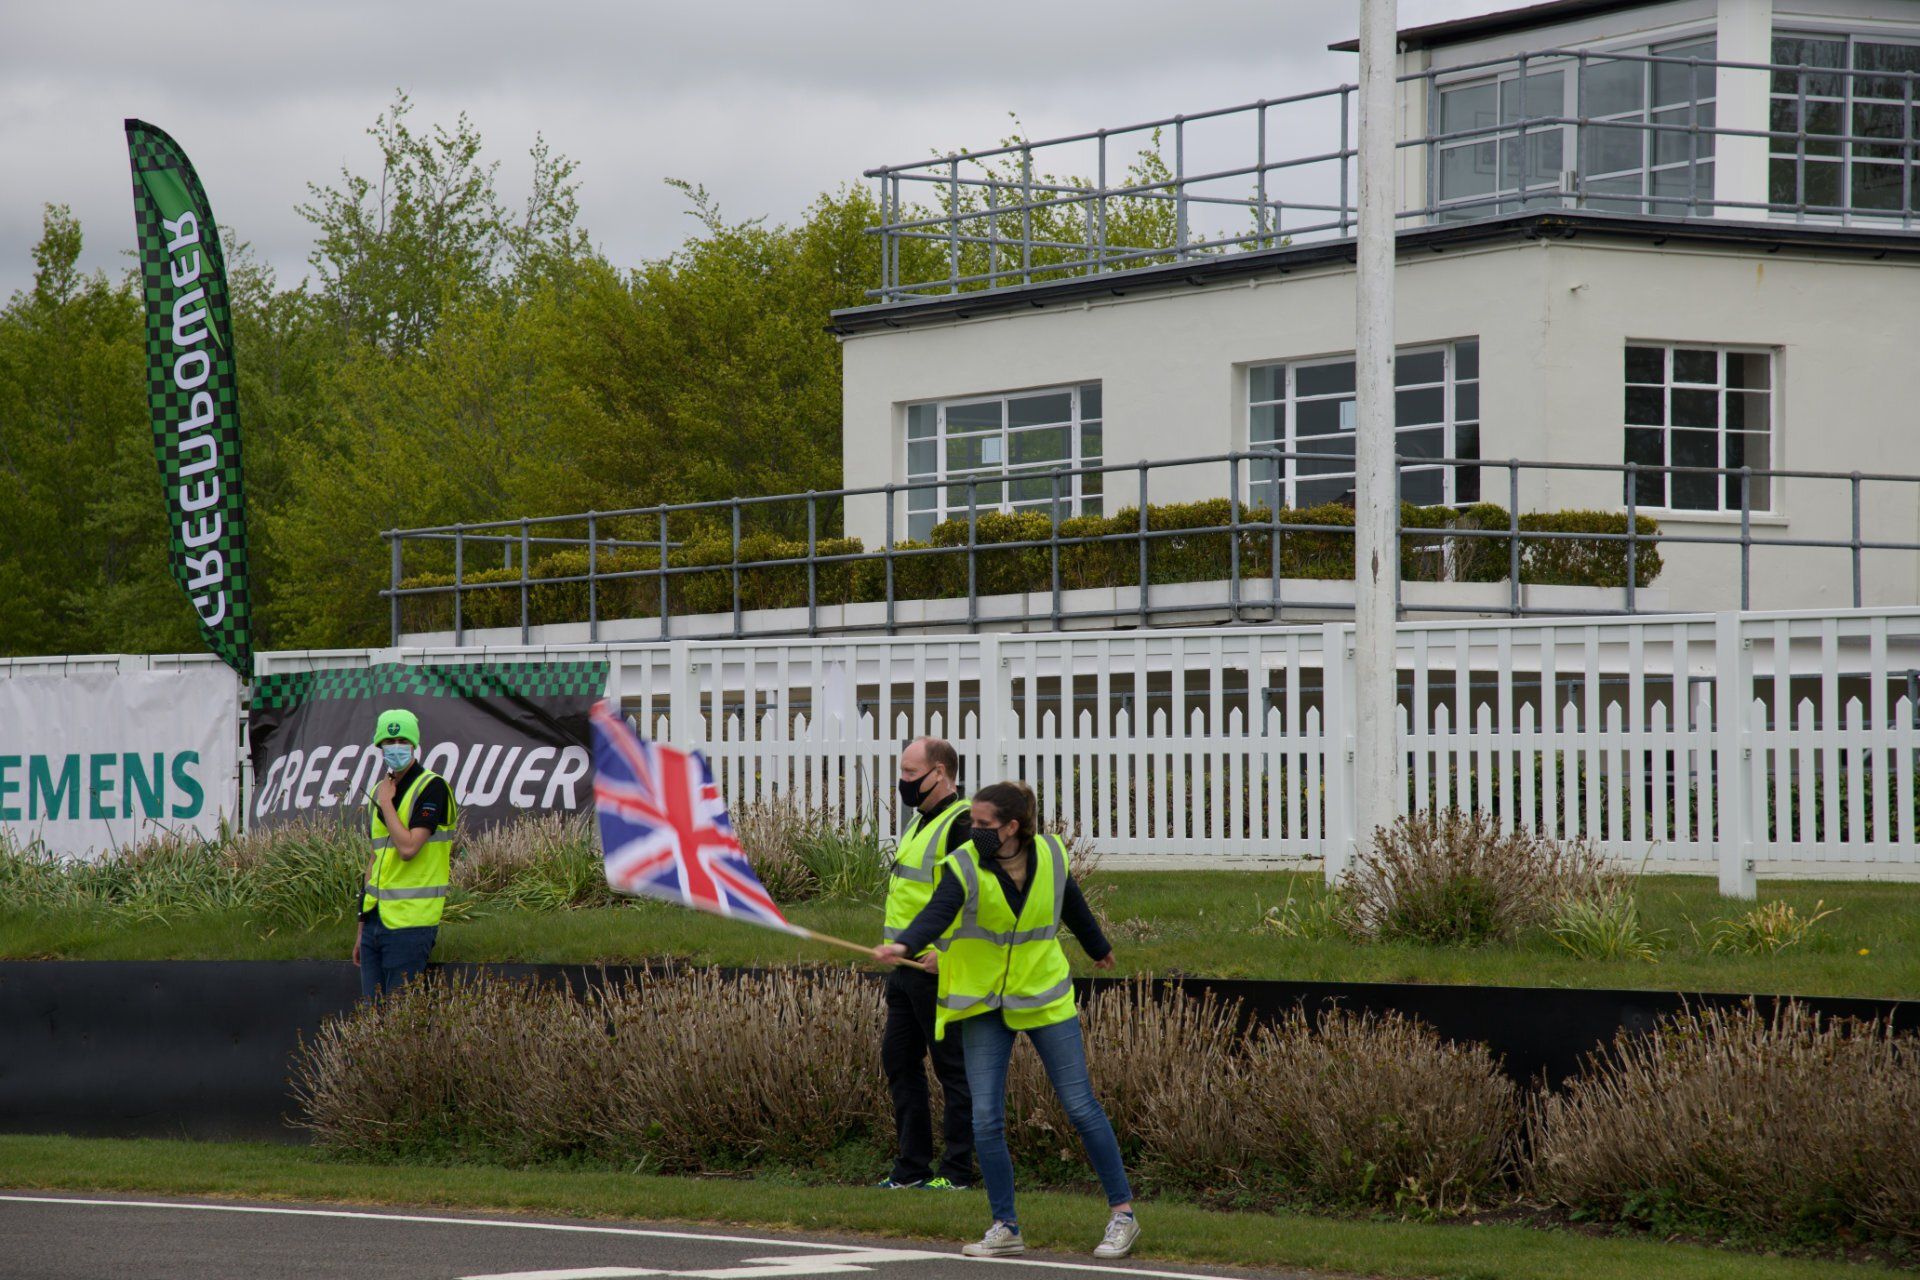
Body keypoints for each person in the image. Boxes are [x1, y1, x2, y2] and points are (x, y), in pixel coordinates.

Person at [875, 781, 1137, 1260]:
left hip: (1043, 997)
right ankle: (1005, 1225)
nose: (973, 831)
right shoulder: (962, 865)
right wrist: (905, 945)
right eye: (973, 823)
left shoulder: (1052, 856)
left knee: (1080, 1107)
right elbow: (937, 912)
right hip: (983, 1005)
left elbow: (1071, 903)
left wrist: (1098, 948)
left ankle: (1122, 1215)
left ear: (1013, 827)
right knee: (986, 1118)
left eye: (983, 825)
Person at [876, 737, 977, 1190]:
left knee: (952, 1070)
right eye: (902, 773)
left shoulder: (965, 824)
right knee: (898, 1061)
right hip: (905, 969)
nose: (903, 783)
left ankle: (956, 1174)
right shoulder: (920, 822)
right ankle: (911, 1170)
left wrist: (950, 953)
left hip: (939, 970)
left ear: (940, 773)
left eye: (911, 775)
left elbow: (979, 898)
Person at [352, 708, 457, 1001]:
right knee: (373, 1021)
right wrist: (362, 926)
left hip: (412, 924)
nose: (395, 747)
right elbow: (375, 860)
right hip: (376, 921)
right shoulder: (381, 789)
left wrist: (386, 804)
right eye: (388, 741)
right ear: (379, 746)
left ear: (413, 745)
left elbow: (409, 848)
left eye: (402, 741)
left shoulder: (431, 787)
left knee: (400, 1019)